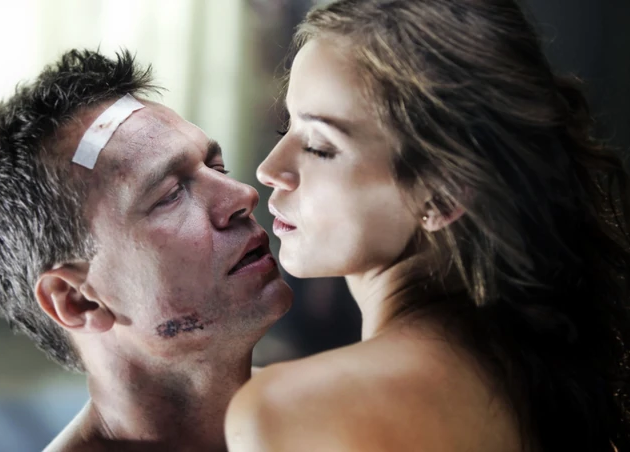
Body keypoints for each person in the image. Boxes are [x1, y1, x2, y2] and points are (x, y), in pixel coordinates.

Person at [225, 0, 630, 451]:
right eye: (286, 127)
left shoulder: (292, 413)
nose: (269, 170)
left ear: (443, 196)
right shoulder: (536, 383)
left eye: (319, 146)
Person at [0, 49, 292, 451]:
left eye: (216, 168)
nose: (242, 195)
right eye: (170, 195)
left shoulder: (333, 412)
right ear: (77, 300)